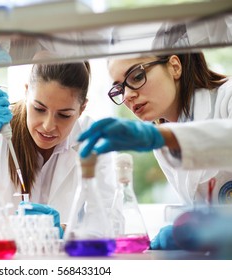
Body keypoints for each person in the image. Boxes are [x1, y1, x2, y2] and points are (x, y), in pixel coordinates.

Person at [0, 59, 118, 238]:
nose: (48, 125)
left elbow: (109, 222)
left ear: (82, 109)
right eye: (39, 109)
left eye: (64, 115)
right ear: (27, 92)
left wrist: (64, 232)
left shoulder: (93, 141)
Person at [77, 52, 232, 249]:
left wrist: (166, 138)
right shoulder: (162, 143)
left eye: (137, 77)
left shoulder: (228, 97)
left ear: (175, 66)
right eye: (119, 88)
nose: (127, 95)